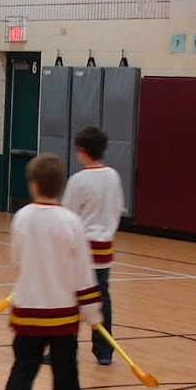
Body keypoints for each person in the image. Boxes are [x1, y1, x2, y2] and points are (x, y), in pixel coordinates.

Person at [0, 154, 102, 390]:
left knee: (23, 369)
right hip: (62, 314)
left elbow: (16, 258)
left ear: (34, 184)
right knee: (66, 371)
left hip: (28, 310)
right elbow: (83, 272)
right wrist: (93, 313)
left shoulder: (22, 217)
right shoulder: (71, 222)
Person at [62, 126, 126, 366]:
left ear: (81, 150)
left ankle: (65, 349)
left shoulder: (78, 180)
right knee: (102, 299)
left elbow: (67, 217)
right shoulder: (114, 176)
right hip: (105, 246)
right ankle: (104, 351)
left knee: (70, 300)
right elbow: (118, 209)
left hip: (81, 249)